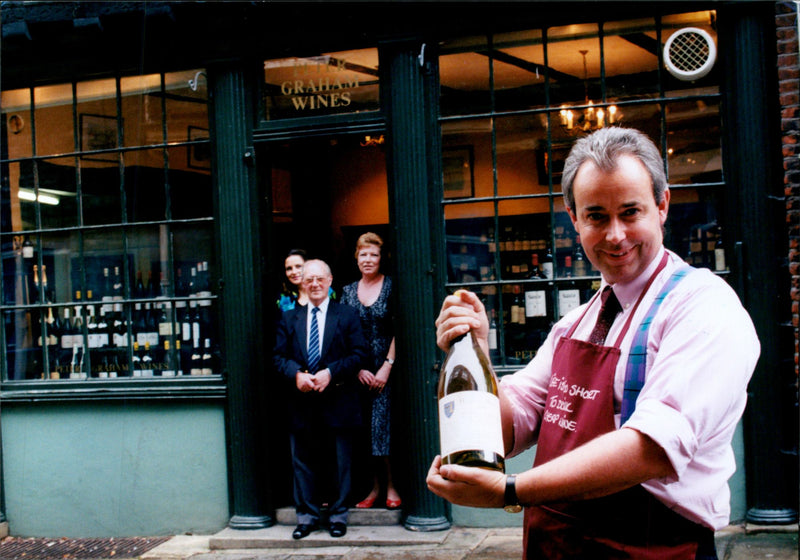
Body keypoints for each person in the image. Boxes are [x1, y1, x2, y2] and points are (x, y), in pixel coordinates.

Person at [426, 127, 760, 559]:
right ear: (575, 220)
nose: (615, 235)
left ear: (662, 206)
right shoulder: (575, 323)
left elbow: (652, 448)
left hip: (651, 549)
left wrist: (511, 489)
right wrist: (475, 353)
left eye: (630, 212)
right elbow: (513, 425)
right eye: (597, 216)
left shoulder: (703, 308)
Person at [273, 259, 368, 539]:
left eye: (320, 279)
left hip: (339, 399)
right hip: (301, 402)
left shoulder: (348, 315)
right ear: (303, 283)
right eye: (309, 279)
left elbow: (359, 354)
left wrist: (330, 372)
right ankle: (307, 517)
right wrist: (296, 375)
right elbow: (278, 357)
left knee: (340, 463)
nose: (314, 284)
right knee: (302, 462)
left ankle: (338, 516)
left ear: (330, 281)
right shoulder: (289, 318)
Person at [340, 233, 401, 510]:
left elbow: (400, 328)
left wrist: (386, 367)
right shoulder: (348, 291)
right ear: (356, 257)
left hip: (386, 371)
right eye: (363, 254)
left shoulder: (391, 287)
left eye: (373, 254)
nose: (368, 259)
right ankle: (373, 488)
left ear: (381, 258)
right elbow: (341, 334)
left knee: (383, 430)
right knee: (364, 433)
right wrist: (358, 368)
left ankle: (392, 486)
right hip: (358, 372)